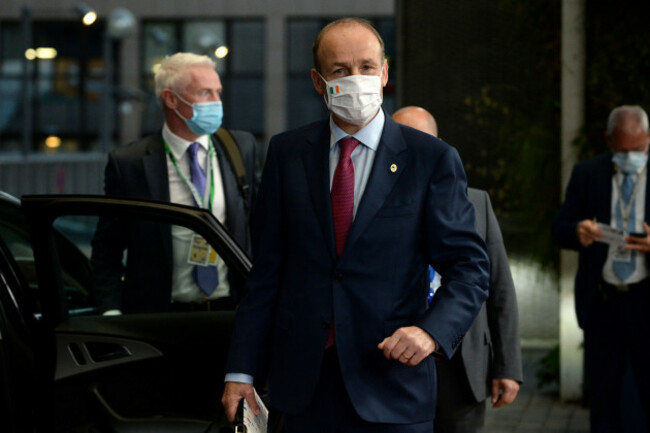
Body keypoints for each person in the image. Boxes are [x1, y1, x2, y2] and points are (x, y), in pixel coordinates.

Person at [221, 17, 490, 432]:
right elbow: (267, 274)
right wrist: (241, 371)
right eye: (340, 70)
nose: (356, 79)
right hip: (302, 389)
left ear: (385, 73)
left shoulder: (430, 158)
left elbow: (469, 268)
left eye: (367, 67)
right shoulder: (287, 153)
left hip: (391, 384)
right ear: (318, 81)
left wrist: (431, 332)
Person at [91, 52, 258, 314]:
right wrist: (111, 313)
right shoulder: (130, 164)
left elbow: (258, 229)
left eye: (218, 92)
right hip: (161, 317)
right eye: (205, 93)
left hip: (232, 312)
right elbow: (107, 248)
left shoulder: (240, 147)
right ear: (171, 99)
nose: (216, 102)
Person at [392, 105, 523, 433]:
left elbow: (500, 288)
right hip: (395, 363)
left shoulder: (476, 203)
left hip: (463, 368)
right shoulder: (375, 206)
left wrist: (508, 367)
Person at [553, 105, 650, 432]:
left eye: (637, 150)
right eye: (621, 150)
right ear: (608, 140)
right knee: (604, 399)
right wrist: (577, 230)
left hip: (645, 300)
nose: (630, 157)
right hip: (603, 301)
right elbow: (560, 228)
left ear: (649, 139)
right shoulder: (588, 173)